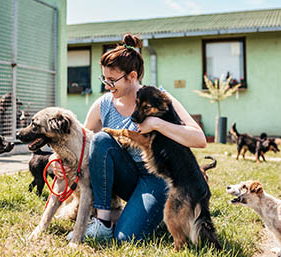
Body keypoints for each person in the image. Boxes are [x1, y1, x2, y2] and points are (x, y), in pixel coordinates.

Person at [57, 34, 207, 242]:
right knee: (101, 140)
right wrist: (57, 162)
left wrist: (157, 124)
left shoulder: (159, 98)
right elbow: (80, 143)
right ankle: (103, 221)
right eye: (104, 79)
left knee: (125, 238)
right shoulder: (104, 105)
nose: (107, 85)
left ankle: (153, 214)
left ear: (132, 76)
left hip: (155, 180)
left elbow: (199, 139)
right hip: (125, 177)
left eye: (112, 80)